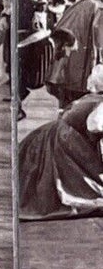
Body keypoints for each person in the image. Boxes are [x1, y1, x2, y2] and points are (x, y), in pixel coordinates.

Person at [18, 65, 103, 220]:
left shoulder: (93, 99)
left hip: (56, 137)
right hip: (59, 144)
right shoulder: (99, 105)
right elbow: (94, 125)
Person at [46, 0, 103, 108]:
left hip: (69, 70)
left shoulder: (79, 7)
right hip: (83, 71)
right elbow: (99, 40)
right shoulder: (96, 8)